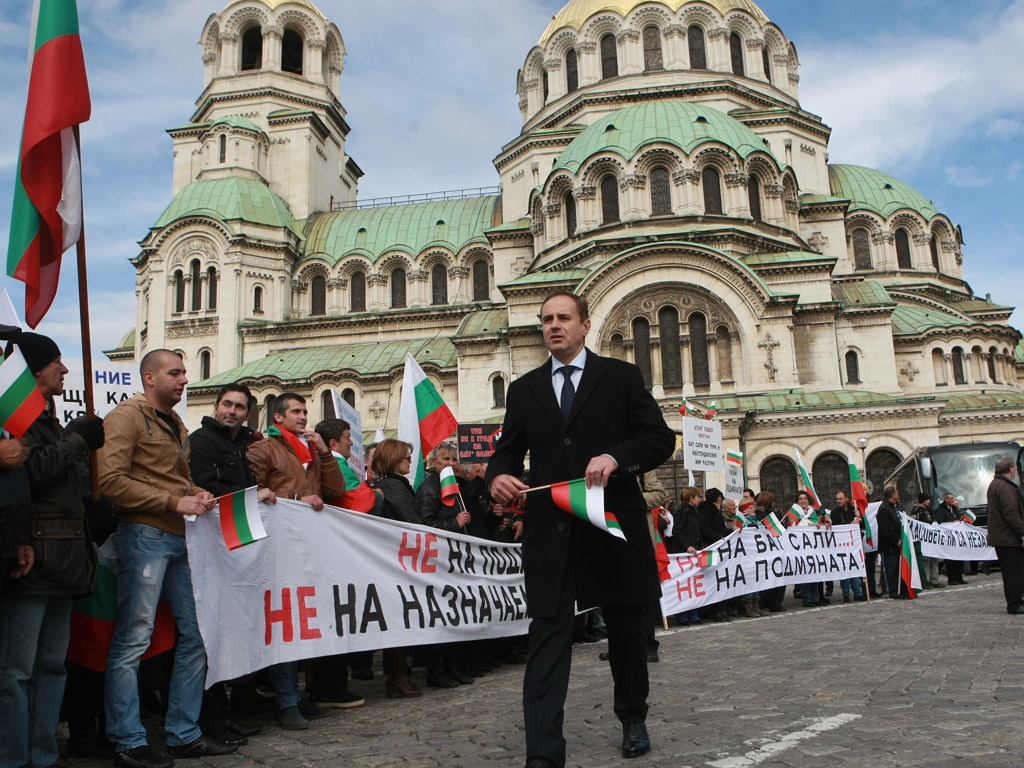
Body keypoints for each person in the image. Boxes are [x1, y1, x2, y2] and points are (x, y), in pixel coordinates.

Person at [486, 291, 675, 767]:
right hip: (551, 530)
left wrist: (617, 457)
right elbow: (508, 451)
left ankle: (633, 717)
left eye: (563, 318)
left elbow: (658, 438)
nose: (554, 326)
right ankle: (544, 754)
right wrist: (497, 476)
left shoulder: (621, 377)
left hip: (613, 524)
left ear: (585, 325)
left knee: (628, 630)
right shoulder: (525, 389)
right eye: (546, 319)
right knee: (547, 634)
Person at [98, 349, 232, 768]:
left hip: (178, 538)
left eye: (184, 372)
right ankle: (127, 738)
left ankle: (182, 733)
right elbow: (110, 481)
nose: (184, 379)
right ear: (149, 378)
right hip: (144, 535)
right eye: (175, 373)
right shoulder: (125, 417)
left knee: (197, 633)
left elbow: (177, 477)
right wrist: (176, 502)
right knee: (134, 637)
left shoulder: (175, 422)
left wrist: (195, 493)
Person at [0, 331, 104, 768]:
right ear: (34, 370)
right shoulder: (16, 418)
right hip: (36, 557)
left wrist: (97, 508)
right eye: (56, 362)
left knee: (51, 666)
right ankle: (13, 756)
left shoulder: (48, 417)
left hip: (64, 559)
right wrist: (78, 440)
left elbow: (63, 483)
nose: (64, 369)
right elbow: (34, 471)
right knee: (16, 671)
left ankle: (43, 753)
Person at [246, 393, 345, 729]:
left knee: (302, 621)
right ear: (278, 418)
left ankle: (296, 694)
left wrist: (325, 454)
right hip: (277, 546)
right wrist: (297, 500)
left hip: (305, 545)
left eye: (305, 411)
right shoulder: (264, 449)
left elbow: (334, 487)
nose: (303, 417)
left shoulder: (310, 451)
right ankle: (285, 699)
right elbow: (252, 493)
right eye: (296, 412)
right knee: (283, 621)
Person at [187, 383, 277, 744]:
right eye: (227, 404)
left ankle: (223, 715)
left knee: (231, 632)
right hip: (212, 547)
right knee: (210, 634)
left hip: (235, 547)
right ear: (216, 405)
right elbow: (208, 488)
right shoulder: (202, 442)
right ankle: (209, 720)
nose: (232, 411)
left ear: (248, 412)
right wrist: (253, 495)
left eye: (240, 407)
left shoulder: (243, 446)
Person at [369, 439, 421, 698]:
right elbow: (411, 520)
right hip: (396, 559)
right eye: (405, 457)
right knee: (399, 616)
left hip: (396, 557)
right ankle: (397, 675)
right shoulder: (392, 485)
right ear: (393, 459)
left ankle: (399, 673)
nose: (410, 461)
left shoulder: (393, 484)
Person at [985, 456, 1024, 614]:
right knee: (1013, 572)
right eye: (1014, 467)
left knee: (1014, 571)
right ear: (1010, 469)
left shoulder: (997, 484)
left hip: (1004, 537)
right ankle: (1015, 603)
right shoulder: (1004, 486)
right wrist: (1022, 532)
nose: (1015, 470)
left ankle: (1017, 600)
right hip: (1008, 538)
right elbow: (1011, 513)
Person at [832, 491, 866, 602]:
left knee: (855, 568)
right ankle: (846, 594)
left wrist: (859, 518)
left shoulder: (854, 510)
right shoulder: (835, 512)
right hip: (842, 545)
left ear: (846, 499)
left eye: (841, 498)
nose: (838, 501)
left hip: (854, 545)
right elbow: (837, 527)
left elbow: (863, 526)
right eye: (837, 499)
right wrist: (851, 523)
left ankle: (857, 592)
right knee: (844, 569)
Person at [933, 492, 967, 585]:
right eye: (951, 498)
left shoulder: (954, 509)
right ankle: (952, 578)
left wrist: (962, 521)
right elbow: (940, 522)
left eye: (953, 498)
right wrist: (952, 522)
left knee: (959, 557)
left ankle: (959, 577)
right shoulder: (941, 510)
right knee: (950, 559)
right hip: (948, 537)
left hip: (957, 536)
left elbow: (959, 518)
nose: (953, 499)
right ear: (946, 499)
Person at [877, 486, 904, 599]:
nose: (898, 495)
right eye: (897, 493)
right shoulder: (884, 509)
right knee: (891, 569)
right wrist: (896, 540)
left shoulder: (893, 508)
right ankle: (893, 591)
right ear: (893, 495)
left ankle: (899, 590)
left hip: (896, 546)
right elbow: (886, 529)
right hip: (889, 546)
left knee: (897, 569)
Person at [910, 492, 940, 589]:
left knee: (934, 559)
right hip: (921, 539)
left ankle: (934, 579)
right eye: (927, 499)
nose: (929, 501)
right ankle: (923, 581)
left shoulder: (928, 510)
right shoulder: (916, 511)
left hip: (930, 539)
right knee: (923, 561)